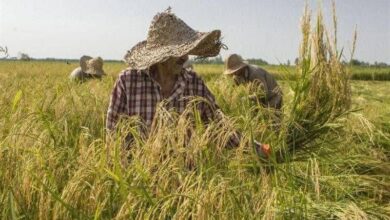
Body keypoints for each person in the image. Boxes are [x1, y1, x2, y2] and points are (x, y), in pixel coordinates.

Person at [106, 9, 270, 158]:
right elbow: (113, 135)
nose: (185, 57)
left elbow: (221, 128)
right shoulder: (128, 82)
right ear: (159, 55)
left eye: (186, 51)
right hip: (139, 181)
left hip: (185, 182)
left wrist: (257, 149)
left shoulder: (194, 84)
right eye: (178, 52)